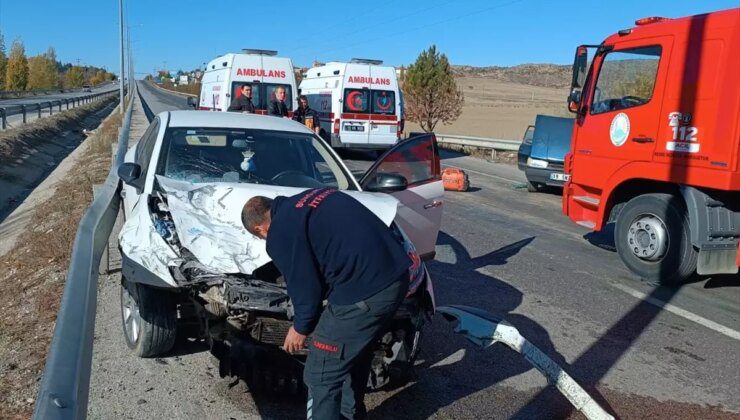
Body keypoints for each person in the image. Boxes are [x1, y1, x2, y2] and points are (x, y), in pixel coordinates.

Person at [241, 190, 411, 420]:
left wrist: (300, 328)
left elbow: (305, 286)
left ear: (260, 229)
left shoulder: (279, 232)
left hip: (364, 292)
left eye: (260, 236)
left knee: (320, 372)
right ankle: (349, 414)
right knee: (353, 353)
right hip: (396, 275)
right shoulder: (314, 196)